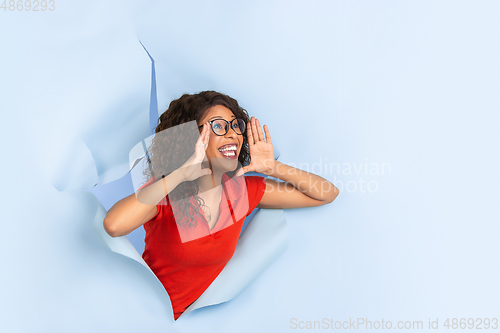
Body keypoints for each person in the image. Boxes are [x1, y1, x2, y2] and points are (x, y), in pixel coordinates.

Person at [103, 91, 339, 320]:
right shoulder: (166, 192)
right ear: (191, 138)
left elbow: (327, 194)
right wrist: (181, 173)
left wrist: (273, 168)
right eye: (218, 126)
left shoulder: (242, 192)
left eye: (236, 125)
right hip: (139, 317)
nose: (232, 134)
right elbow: (114, 225)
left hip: (196, 323)